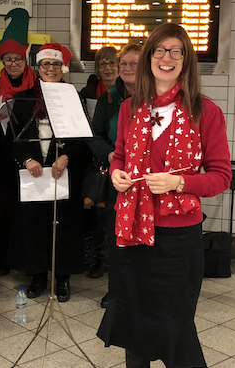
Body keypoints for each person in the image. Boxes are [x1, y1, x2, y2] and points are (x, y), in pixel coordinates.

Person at [98, 24, 231, 368]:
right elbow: (119, 155)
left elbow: (221, 177)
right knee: (134, 325)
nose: (166, 57)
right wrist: (116, 173)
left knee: (175, 328)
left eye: (176, 51)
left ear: (186, 60)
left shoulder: (205, 111)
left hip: (176, 238)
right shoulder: (131, 108)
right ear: (148, 58)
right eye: (159, 50)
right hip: (130, 235)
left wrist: (179, 183)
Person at [8, 43, 84, 302]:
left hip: (63, 173)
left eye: (55, 64)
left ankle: (62, 277)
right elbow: (13, 139)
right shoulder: (23, 99)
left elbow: (83, 137)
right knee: (35, 224)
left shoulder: (74, 97)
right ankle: (38, 274)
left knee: (64, 225)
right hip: (35, 174)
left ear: (62, 67)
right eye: (45, 64)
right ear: (37, 68)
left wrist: (67, 156)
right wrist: (27, 159)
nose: (50, 69)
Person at [87, 43, 142, 307]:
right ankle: (116, 289)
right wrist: (110, 155)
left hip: (147, 180)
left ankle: (143, 289)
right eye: (125, 64)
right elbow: (94, 137)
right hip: (117, 178)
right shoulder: (107, 99)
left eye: (134, 63)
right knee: (115, 234)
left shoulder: (156, 97)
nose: (128, 68)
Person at [0, 8, 35, 276]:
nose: (13, 64)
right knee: (4, 210)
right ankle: (2, 260)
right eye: (7, 59)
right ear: (2, 61)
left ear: (25, 59)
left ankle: (27, 262)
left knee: (28, 212)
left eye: (17, 59)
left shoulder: (38, 86)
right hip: (3, 159)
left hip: (31, 159)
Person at [78, 46, 119, 279]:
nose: (107, 67)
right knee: (98, 212)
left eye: (111, 63)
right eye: (102, 64)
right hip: (96, 158)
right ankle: (99, 259)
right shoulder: (87, 93)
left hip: (120, 160)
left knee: (113, 213)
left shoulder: (128, 93)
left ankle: (112, 262)